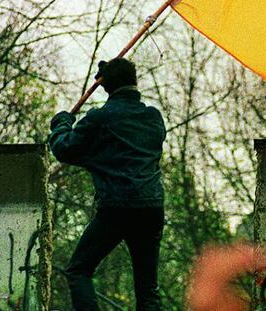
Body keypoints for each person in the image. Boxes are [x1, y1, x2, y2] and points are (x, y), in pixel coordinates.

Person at [48, 58, 166, 311]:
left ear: (104, 86)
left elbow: (64, 149)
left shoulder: (100, 119)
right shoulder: (153, 118)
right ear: (134, 81)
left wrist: (62, 124)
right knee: (148, 290)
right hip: (151, 207)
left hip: (117, 207)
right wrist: (111, 75)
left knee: (79, 270)